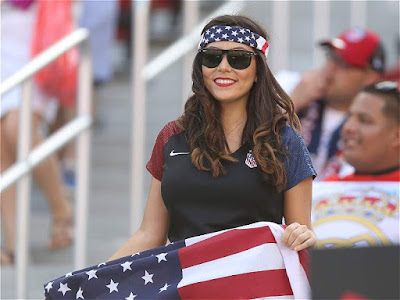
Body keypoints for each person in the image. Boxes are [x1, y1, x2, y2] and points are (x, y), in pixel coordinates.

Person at [109, 15, 317, 261]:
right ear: (201, 68)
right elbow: (149, 234)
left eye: (239, 59)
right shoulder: (172, 136)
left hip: (254, 288)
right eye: (212, 57)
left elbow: (301, 233)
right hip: (186, 286)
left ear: (258, 70)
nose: (224, 67)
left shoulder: (284, 139)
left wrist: (303, 235)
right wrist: (88, 281)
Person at [0, 1, 73, 264]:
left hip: (35, 46)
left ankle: (60, 205)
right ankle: (14, 244)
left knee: (18, 127)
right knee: (3, 151)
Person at [277, 28, 386, 178]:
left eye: (342, 63)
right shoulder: (288, 84)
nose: (330, 67)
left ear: (370, 77)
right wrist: (290, 103)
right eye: (331, 56)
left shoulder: (378, 123)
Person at [325, 81, 399, 182]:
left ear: (397, 136)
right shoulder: (324, 190)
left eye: (364, 120)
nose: (348, 127)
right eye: (349, 117)